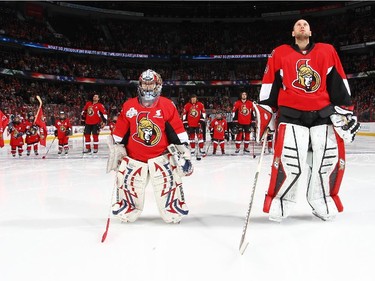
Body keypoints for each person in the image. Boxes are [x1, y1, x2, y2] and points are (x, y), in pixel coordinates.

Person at [255, 19, 360, 222]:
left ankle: (322, 199)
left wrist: (345, 111)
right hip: (291, 114)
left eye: (305, 24)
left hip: (322, 114)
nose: (302, 26)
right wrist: (267, 112)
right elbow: (270, 85)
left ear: (310, 31)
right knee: (290, 162)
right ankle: (281, 201)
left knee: (326, 161)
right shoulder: (279, 53)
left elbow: (339, 82)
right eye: (298, 25)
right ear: (293, 32)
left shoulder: (327, 51)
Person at [106, 69, 193, 224]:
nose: (147, 87)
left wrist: (184, 154)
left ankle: (172, 208)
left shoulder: (167, 105)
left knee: (168, 186)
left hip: (161, 158)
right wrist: (117, 152)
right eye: (145, 84)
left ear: (157, 85)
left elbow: (177, 132)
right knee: (128, 186)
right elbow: (119, 135)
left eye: (150, 84)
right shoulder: (129, 106)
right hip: (134, 159)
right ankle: (127, 207)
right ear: (140, 85)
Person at [182, 94, 207, 159]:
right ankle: (192, 149)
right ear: (190, 99)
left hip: (198, 124)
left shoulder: (200, 104)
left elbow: (203, 113)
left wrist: (201, 120)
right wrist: (185, 122)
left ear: (196, 99)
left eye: (194, 99)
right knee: (191, 137)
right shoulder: (187, 105)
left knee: (200, 137)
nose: (193, 100)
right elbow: (184, 114)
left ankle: (201, 149)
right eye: (192, 99)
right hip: (190, 124)